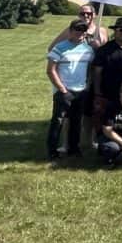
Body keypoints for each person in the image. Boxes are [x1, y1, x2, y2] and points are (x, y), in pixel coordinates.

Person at [45, 18, 94, 163]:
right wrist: (62, 89)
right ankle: (52, 152)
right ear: (70, 31)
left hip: (81, 91)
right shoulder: (59, 47)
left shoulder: (88, 50)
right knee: (58, 122)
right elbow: (50, 70)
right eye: (76, 30)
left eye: (82, 31)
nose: (79, 33)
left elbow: (90, 69)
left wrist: (88, 85)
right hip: (64, 91)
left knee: (76, 122)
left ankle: (74, 149)